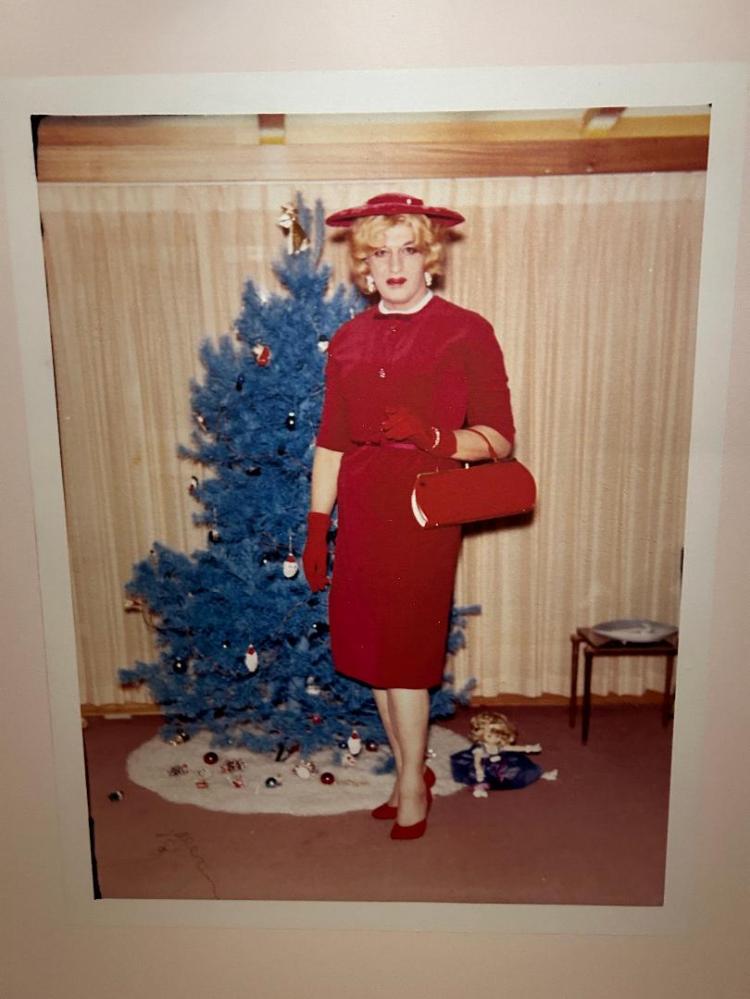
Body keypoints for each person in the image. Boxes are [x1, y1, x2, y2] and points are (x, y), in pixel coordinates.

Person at [302, 192, 515, 840]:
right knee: (373, 654)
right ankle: (406, 771)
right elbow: (331, 440)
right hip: (364, 509)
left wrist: (436, 437)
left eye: (408, 249)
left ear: (430, 257)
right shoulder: (348, 339)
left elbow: (500, 439)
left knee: (404, 657)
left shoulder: (466, 331)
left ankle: (413, 787)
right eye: (380, 252)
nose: (394, 264)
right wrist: (318, 525)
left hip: (425, 509)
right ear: (364, 264)